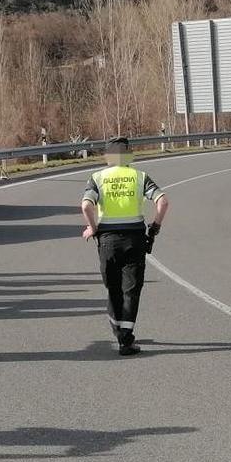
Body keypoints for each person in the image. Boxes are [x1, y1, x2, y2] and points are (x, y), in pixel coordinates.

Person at [79, 136, 168, 356]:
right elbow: (163, 201)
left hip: (108, 240)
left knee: (113, 289)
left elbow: (86, 206)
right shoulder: (139, 177)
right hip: (135, 239)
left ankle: (118, 330)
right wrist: (155, 226)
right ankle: (126, 340)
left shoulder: (97, 178)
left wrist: (93, 228)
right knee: (131, 290)